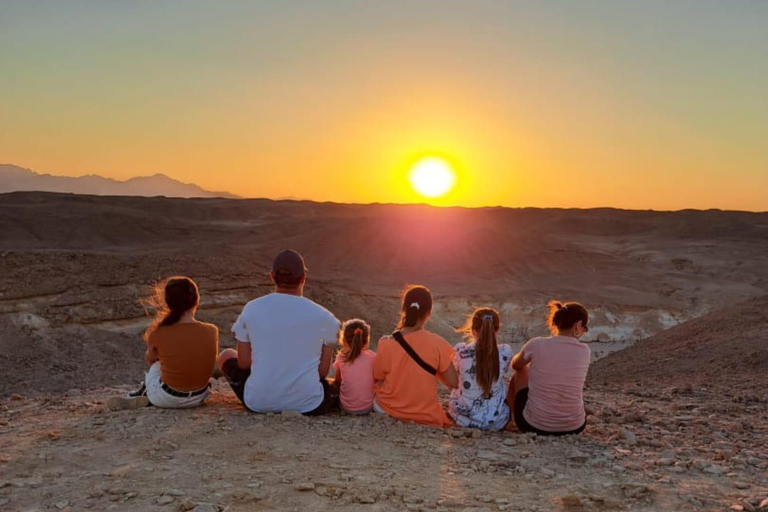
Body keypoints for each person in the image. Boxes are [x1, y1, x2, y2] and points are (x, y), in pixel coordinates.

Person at [218, 249, 339, 415]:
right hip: (309, 404)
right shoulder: (325, 317)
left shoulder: (251, 309)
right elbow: (322, 373)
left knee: (226, 355)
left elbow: (244, 364)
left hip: (257, 402)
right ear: (303, 278)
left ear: (272, 277)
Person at [108, 276, 219, 410]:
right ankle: (146, 395)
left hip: (168, 398)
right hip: (200, 397)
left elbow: (150, 360)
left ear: (168, 302)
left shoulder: (158, 332)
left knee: (157, 363)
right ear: (197, 300)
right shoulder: (211, 330)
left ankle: (144, 393)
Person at [373, 285, 459, 427]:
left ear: (404, 309)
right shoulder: (437, 343)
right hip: (425, 415)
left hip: (388, 409)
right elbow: (453, 382)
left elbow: (378, 377)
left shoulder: (385, 343)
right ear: (429, 312)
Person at [507, 301, 591, 435]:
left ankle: (511, 419)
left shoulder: (537, 344)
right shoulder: (585, 350)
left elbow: (515, 365)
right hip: (575, 427)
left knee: (522, 371)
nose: (584, 332)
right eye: (585, 328)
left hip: (533, 425)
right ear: (578, 325)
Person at [448, 308, 513, 430]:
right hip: (498, 421)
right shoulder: (505, 351)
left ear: (472, 330)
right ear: (496, 330)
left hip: (463, 420)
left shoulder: (460, 351)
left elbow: (452, 380)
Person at [332, 319, 376, 415]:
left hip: (346, 407)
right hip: (368, 407)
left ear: (343, 340)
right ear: (366, 340)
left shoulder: (342, 357)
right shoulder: (373, 357)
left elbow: (338, 380)